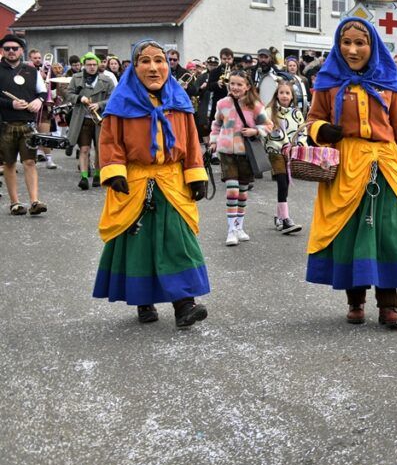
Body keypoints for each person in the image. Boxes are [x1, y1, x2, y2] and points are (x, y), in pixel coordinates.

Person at [305, 17, 397, 329]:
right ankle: (355, 301)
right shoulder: (328, 82)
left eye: (360, 43)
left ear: (373, 46)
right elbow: (312, 120)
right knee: (350, 232)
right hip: (346, 167)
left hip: (385, 166)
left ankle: (389, 305)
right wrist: (321, 130)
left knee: (388, 233)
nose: (353, 49)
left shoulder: (389, 82)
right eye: (346, 42)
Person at [92, 38, 210, 327]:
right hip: (135, 183)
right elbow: (110, 141)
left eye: (160, 61)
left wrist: (196, 175)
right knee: (138, 243)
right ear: (134, 67)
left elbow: (191, 142)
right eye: (145, 61)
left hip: (172, 184)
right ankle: (143, 301)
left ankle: (185, 305)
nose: (154, 67)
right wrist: (115, 172)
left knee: (178, 241)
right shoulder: (121, 102)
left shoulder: (179, 101)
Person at [209, 70, 271, 246]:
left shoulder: (255, 105)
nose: (235, 87)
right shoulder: (222, 103)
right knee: (232, 189)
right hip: (226, 152)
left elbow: (268, 125)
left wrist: (255, 131)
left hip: (246, 153)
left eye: (239, 84)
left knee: (243, 191)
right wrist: (213, 142)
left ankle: (239, 227)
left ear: (247, 86)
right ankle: (231, 230)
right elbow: (216, 124)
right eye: (232, 83)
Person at [0, 33, 47, 215]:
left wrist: (39, 101)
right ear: (2, 51)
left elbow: (42, 92)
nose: (11, 51)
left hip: (28, 124)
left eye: (15, 48)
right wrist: (10, 104)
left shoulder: (31, 71)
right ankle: (15, 203)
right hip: (4, 124)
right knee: (9, 164)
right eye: (7, 48)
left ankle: (35, 201)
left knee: (30, 162)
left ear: (21, 51)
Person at [66, 52, 116, 190]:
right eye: (89, 65)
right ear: (84, 65)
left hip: (100, 120)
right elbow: (68, 94)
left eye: (94, 64)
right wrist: (79, 98)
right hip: (82, 119)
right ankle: (83, 177)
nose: (92, 67)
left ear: (98, 65)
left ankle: (98, 174)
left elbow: (114, 98)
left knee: (99, 149)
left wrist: (100, 104)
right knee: (84, 148)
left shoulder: (107, 80)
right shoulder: (76, 78)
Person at [266, 80, 304, 235]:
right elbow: (265, 130)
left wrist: (300, 146)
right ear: (277, 94)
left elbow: (302, 131)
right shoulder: (269, 111)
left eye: (287, 93)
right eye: (281, 92)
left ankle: (279, 217)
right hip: (275, 152)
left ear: (292, 96)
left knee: (285, 184)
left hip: (292, 153)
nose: (284, 95)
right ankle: (286, 219)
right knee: (282, 182)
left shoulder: (297, 113)